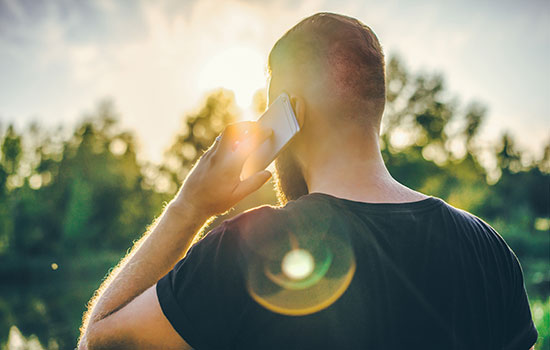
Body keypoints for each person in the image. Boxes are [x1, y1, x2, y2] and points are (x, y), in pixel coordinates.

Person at [78, 12, 538, 350]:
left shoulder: (249, 249)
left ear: (290, 112)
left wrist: (189, 206)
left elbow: (99, 341)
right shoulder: (491, 251)